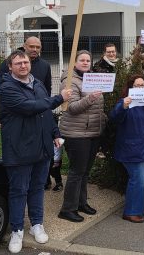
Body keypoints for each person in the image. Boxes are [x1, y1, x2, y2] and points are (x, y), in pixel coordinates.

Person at [0, 50, 70, 253]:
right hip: (19, 148)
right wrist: (59, 98)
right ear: (10, 67)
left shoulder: (37, 83)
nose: (23, 65)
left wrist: (55, 132)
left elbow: (45, 113)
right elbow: (30, 107)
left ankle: (37, 224)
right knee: (19, 190)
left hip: (42, 146)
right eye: (18, 63)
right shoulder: (7, 88)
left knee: (38, 187)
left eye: (26, 62)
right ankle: (17, 230)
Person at [58, 50, 105, 223]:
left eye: (88, 60)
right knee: (76, 172)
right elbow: (72, 108)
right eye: (82, 60)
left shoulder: (92, 78)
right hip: (76, 134)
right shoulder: (69, 81)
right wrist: (91, 98)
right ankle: (67, 208)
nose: (85, 63)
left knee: (85, 172)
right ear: (75, 63)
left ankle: (81, 202)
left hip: (92, 132)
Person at [110, 75, 144, 223]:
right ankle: (131, 211)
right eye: (137, 85)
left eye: (143, 85)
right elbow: (114, 117)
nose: (140, 88)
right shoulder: (125, 103)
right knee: (137, 180)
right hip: (131, 149)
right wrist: (123, 106)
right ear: (130, 88)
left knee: (142, 179)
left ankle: (139, 206)